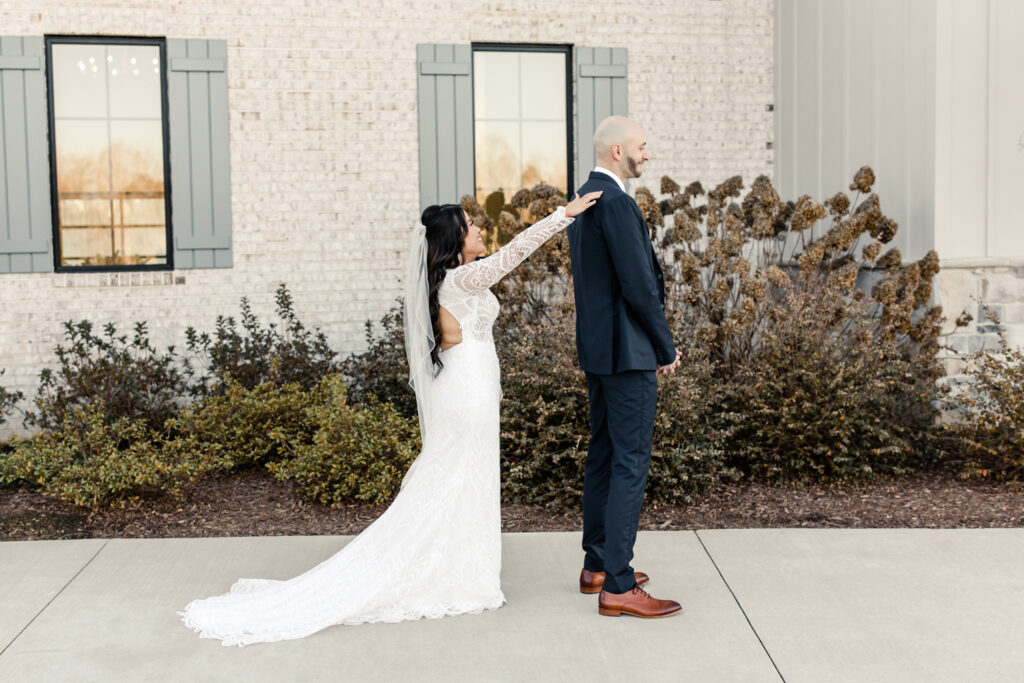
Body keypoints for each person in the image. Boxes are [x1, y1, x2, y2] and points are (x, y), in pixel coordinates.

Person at [179, 190, 602, 646]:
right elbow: (513, 255)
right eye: (471, 225)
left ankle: (467, 575)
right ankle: (457, 578)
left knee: (466, 481)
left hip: (470, 389)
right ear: (456, 241)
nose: (479, 228)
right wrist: (563, 215)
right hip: (466, 392)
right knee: (458, 480)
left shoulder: (454, 280)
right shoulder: (459, 281)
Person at [568, 115, 683, 618]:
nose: (647, 154)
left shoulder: (585, 199)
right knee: (630, 462)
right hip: (628, 353)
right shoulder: (615, 202)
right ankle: (617, 583)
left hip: (599, 351)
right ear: (617, 150)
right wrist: (665, 346)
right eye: (642, 146)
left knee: (604, 454)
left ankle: (597, 565)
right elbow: (639, 286)